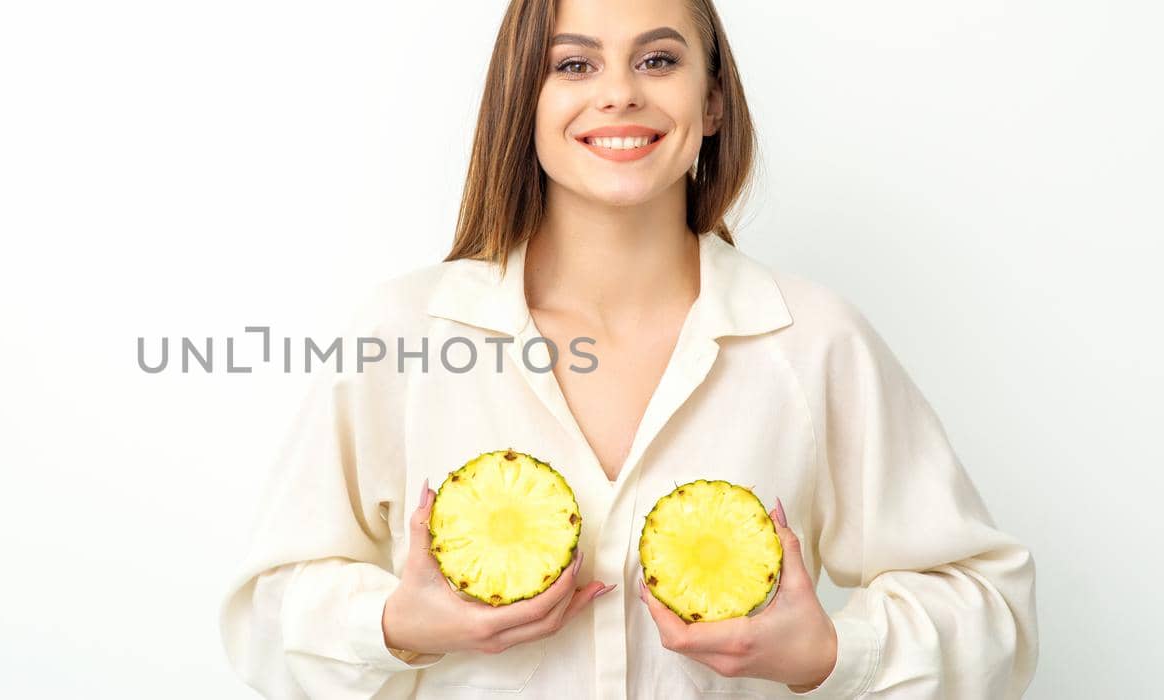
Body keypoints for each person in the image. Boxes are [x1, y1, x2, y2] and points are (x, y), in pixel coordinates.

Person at [218, 0, 1038, 697]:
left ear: (712, 102)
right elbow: (262, 616)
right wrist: (396, 623)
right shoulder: (406, 336)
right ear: (523, 101)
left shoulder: (814, 341)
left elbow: (991, 607)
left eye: (657, 59)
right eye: (574, 65)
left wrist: (829, 655)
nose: (619, 93)